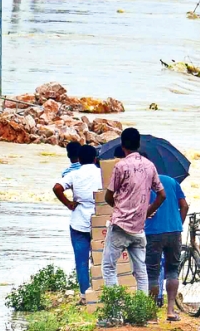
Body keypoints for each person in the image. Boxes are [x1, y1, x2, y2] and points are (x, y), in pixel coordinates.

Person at [103, 129, 164, 291]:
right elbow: (161, 195)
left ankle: (115, 312)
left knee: (109, 267)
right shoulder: (150, 166)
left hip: (120, 226)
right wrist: (146, 213)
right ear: (139, 144)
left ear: (122, 145)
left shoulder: (121, 166)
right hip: (139, 228)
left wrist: (119, 209)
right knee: (141, 271)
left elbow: (108, 196)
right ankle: (142, 310)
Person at [53, 143, 103, 302]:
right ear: (96, 159)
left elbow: (57, 188)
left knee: (81, 260)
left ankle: (84, 295)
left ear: (79, 159)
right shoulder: (102, 173)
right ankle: (101, 291)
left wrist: (68, 204)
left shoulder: (74, 174)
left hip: (79, 220)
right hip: (99, 219)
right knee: (101, 259)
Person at [145, 172, 189, 321]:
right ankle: (170, 311)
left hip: (153, 232)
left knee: (152, 272)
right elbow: (184, 206)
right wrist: (178, 224)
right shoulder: (171, 180)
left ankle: (151, 314)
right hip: (174, 231)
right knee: (172, 270)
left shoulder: (143, 182)